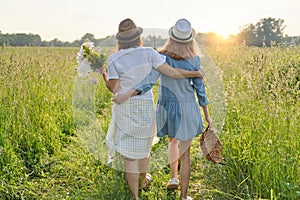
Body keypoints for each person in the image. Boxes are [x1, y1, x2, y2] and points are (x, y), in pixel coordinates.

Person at [100, 18, 205, 200]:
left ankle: (151, 188)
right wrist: (196, 75)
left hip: (145, 106)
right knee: (163, 150)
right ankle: (162, 186)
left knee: (147, 151)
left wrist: (113, 82)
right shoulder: (155, 54)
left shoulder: (123, 57)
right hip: (166, 105)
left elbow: (128, 85)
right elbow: (184, 80)